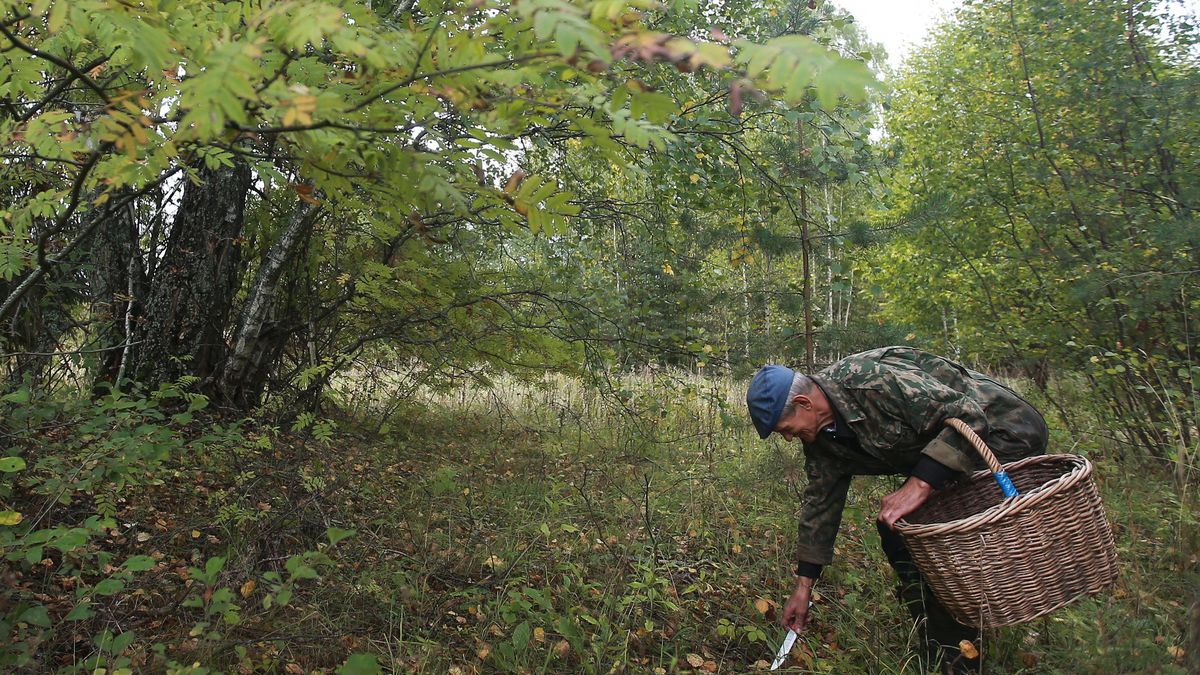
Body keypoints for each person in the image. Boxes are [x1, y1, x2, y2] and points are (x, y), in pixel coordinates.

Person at [746, 346, 1048, 674]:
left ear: (804, 404)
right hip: (957, 447)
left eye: (786, 429)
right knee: (897, 531)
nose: (790, 439)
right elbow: (821, 503)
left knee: (941, 536)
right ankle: (944, 639)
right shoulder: (822, 438)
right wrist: (803, 587)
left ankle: (959, 654)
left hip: (1005, 433)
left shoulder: (873, 382)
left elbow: (970, 416)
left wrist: (919, 484)